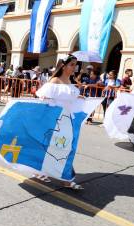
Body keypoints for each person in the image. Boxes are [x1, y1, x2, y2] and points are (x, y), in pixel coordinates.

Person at [33, 54, 84, 190]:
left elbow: (69, 98)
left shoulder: (71, 81)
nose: (75, 68)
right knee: (53, 148)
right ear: (63, 65)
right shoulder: (55, 81)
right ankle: (62, 177)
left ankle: (64, 177)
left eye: (75, 65)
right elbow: (44, 99)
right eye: (72, 64)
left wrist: (78, 97)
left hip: (68, 121)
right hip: (55, 122)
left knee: (65, 149)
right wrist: (45, 99)